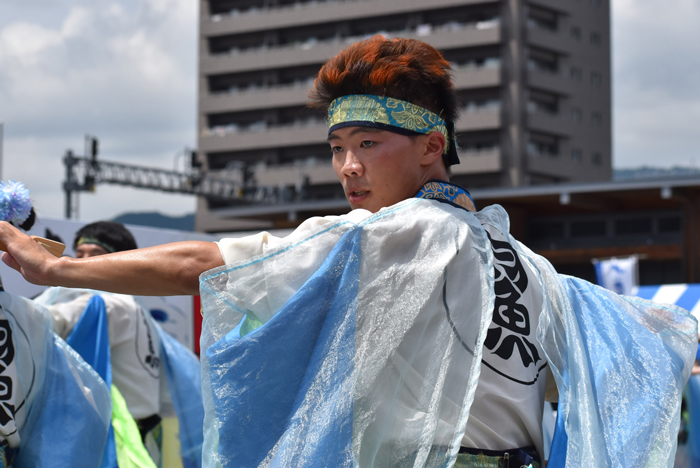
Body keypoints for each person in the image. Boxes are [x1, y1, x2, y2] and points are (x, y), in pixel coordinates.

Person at [0, 36, 696, 468]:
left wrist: (57, 267)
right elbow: (640, 347)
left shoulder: (396, 235)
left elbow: (207, 265)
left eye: (368, 145)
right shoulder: (530, 265)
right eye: (338, 148)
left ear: (432, 146)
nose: (348, 168)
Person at [32, 221, 204, 468]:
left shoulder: (108, 305)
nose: (82, 261)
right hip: (145, 436)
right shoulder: (138, 309)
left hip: (120, 441)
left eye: (96, 255)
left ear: (121, 261)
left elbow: (49, 320)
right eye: (79, 255)